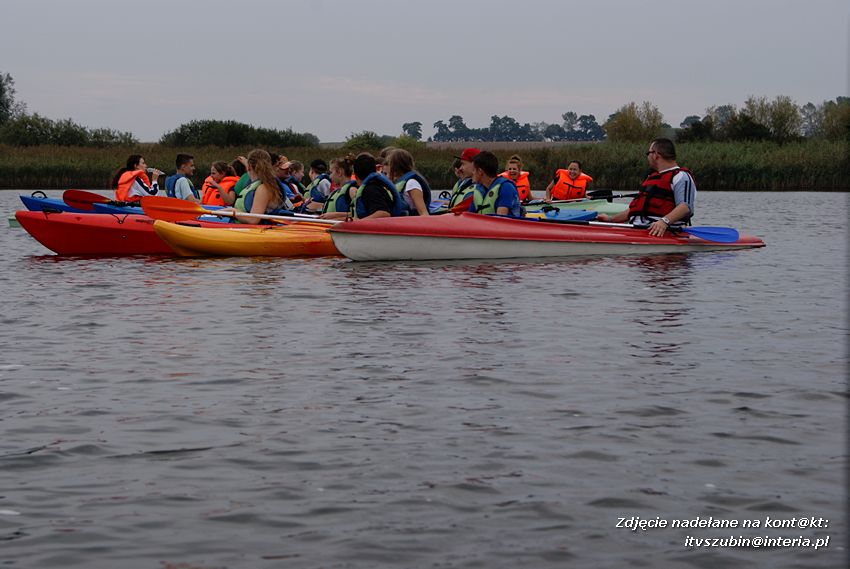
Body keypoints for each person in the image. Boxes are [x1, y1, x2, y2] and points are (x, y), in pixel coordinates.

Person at [596, 138, 696, 237]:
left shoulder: (680, 176)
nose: (647, 157)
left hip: (662, 233)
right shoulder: (652, 177)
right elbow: (635, 209)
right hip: (638, 230)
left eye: (648, 153)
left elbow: (685, 207)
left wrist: (664, 222)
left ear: (656, 155)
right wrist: (611, 220)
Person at [233, 149, 293, 224]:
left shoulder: (263, 188)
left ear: (249, 166)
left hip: (257, 229)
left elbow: (253, 220)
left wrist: (232, 211)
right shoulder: (261, 185)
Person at [349, 152, 405, 220]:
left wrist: (358, 222)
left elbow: (383, 213)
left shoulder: (371, 190)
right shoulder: (375, 186)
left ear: (356, 176)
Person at [468, 151, 521, 217]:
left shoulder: (506, 187)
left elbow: (500, 219)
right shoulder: (479, 189)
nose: (471, 173)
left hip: (503, 223)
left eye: (473, 170)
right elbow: (469, 216)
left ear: (480, 171)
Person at [385, 148, 431, 216]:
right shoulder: (397, 183)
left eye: (388, 164)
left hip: (412, 220)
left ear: (395, 166)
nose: (387, 167)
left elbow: (423, 212)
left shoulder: (411, 183)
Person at [319, 155, 358, 220]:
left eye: (331, 172)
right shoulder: (338, 190)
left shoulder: (352, 190)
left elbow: (359, 214)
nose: (330, 176)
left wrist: (335, 215)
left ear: (339, 172)